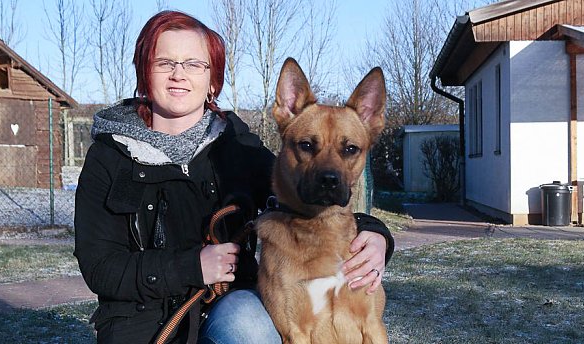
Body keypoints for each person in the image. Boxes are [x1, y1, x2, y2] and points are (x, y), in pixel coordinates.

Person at [74, 11, 393, 344]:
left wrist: (376, 234)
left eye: (193, 64)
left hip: (226, 312)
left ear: (213, 80)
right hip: (140, 326)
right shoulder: (110, 155)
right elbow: (100, 268)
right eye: (164, 62)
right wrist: (192, 267)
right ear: (144, 73)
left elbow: (298, 197)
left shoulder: (236, 144)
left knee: (249, 324)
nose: (178, 75)